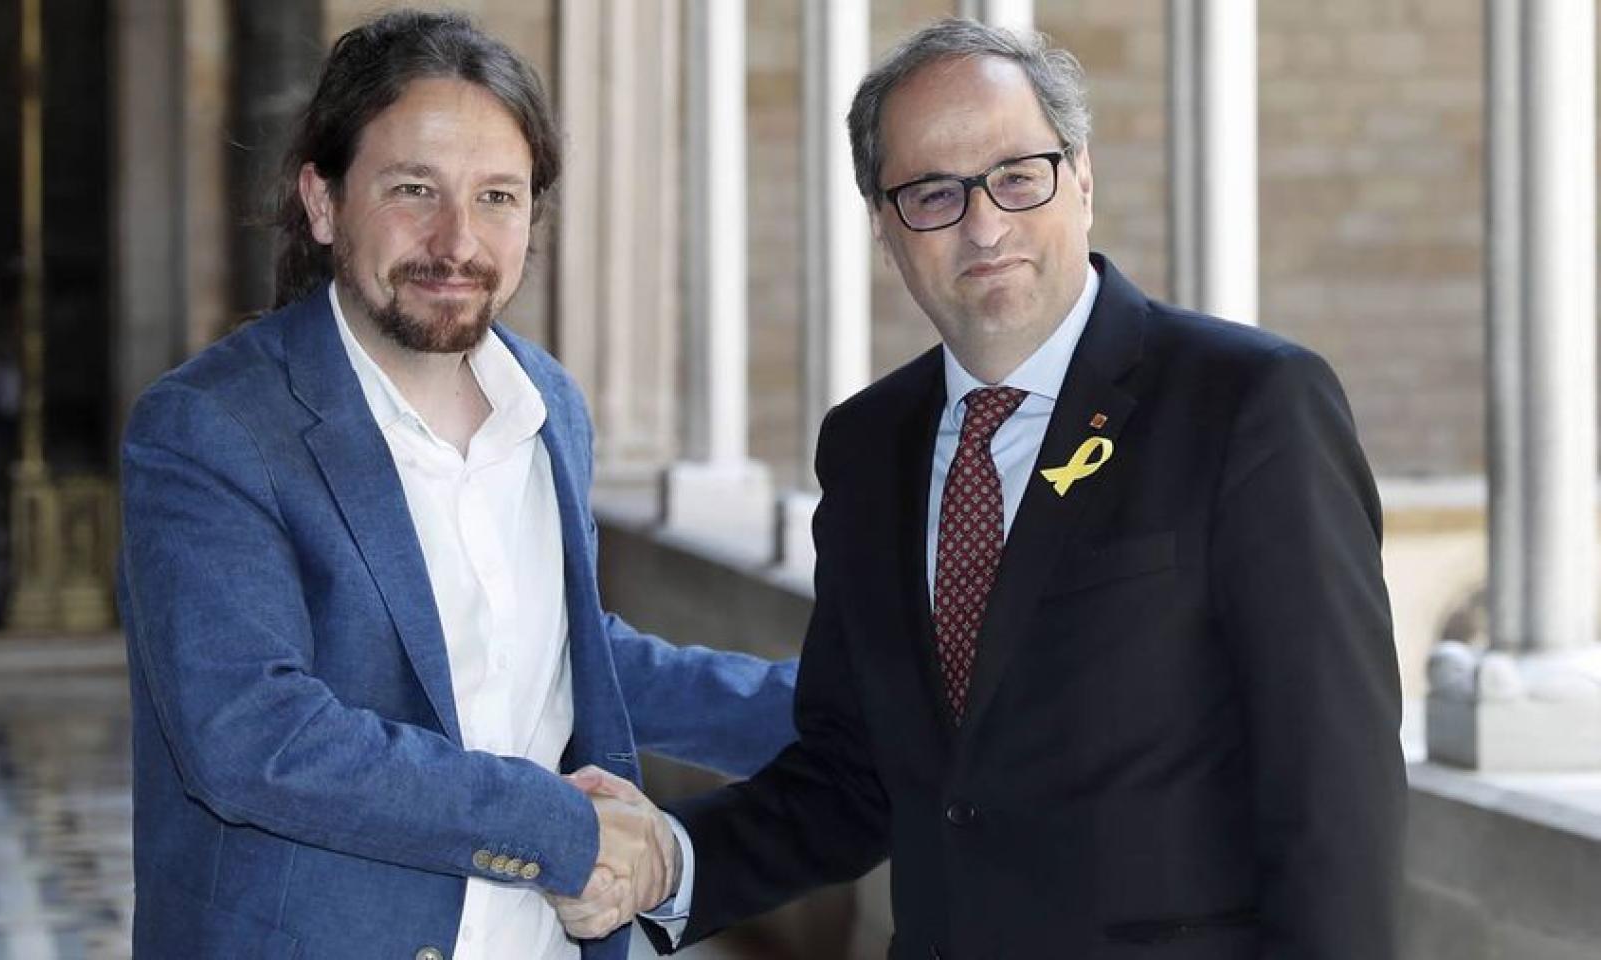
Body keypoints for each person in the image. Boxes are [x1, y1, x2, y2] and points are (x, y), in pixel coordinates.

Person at [623, 19, 1405, 959]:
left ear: (1081, 176)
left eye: (1017, 174)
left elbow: (1334, 790)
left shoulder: (1248, 405)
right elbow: (859, 774)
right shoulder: (867, 448)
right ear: (883, 224)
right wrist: (665, 862)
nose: (983, 225)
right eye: (934, 194)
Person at [116, 11, 794, 960]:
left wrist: (838, 713)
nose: (457, 240)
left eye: (498, 197)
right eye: (412, 189)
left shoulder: (547, 404)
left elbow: (563, 661)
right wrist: (567, 831)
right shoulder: (212, 428)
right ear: (324, 203)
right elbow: (256, 737)